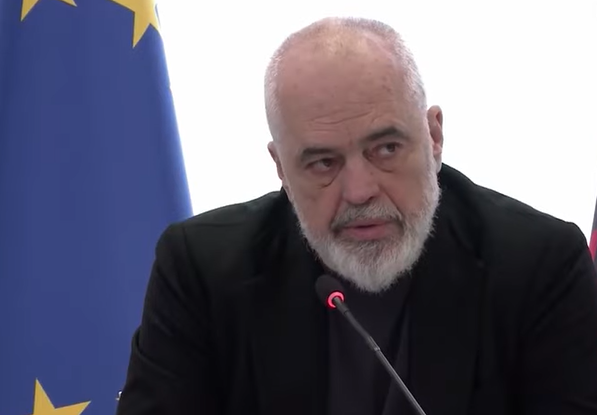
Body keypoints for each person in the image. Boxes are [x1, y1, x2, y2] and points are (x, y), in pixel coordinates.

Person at [115, 16, 597, 415]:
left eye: (386, 149)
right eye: (323, 163)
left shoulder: (540, 264)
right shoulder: (200, 268)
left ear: (433, 138)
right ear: (282, 169)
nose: (360, 191)